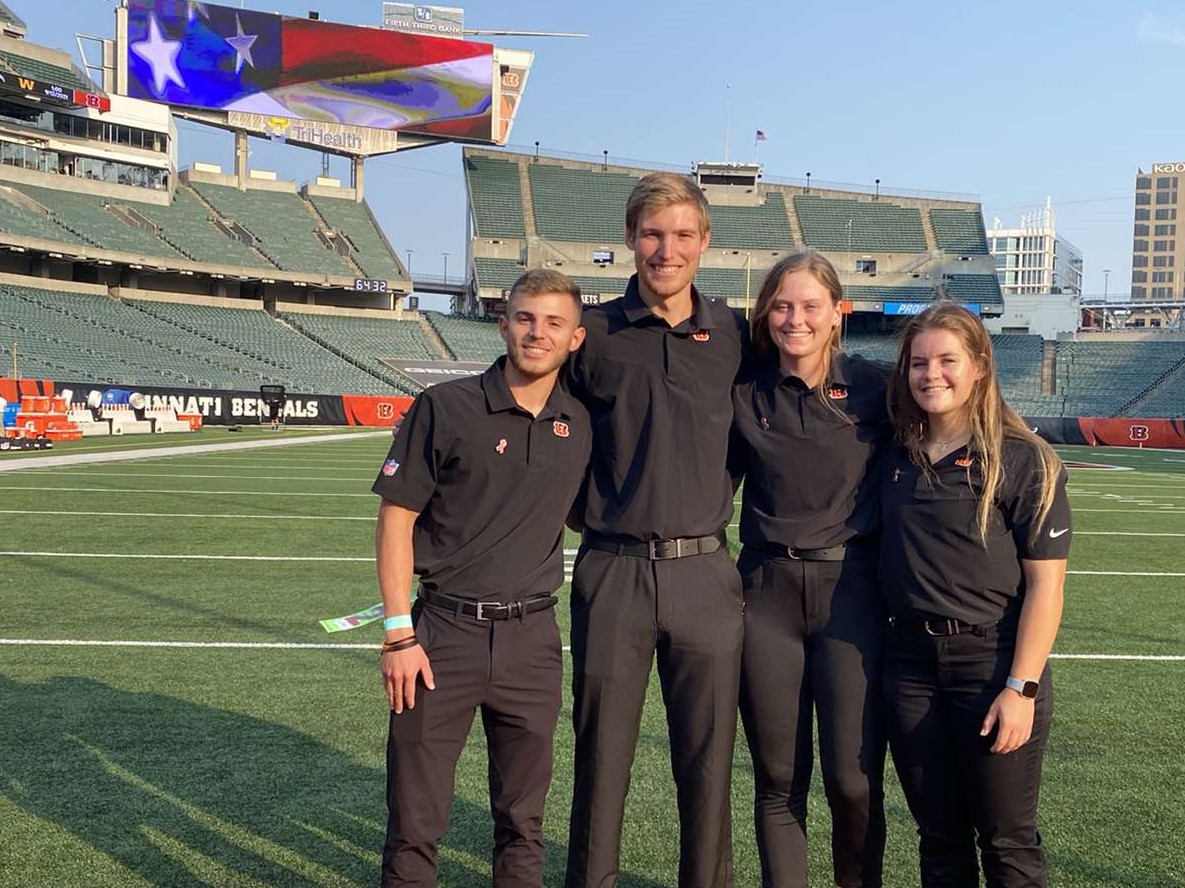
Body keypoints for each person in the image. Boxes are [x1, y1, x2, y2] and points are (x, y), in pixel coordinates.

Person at [373, 269, 590, 888]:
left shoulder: (580, 422)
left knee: (524, 822)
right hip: (442, 633)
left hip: (533, 639)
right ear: (502, 323)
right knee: (416, 821)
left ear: (575, 339)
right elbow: (396, 520)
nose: (537, 333)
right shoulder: (446, 406)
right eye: (525, 317)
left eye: (554, 323)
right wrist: (397, 635)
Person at [564, 171, 747, 888]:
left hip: (705, 571)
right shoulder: (594, 334)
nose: (664, 250)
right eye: (650, 234)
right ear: (629, 241)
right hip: (613, 569)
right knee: (602, 756)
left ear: (705, 242)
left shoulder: (734, 331)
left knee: (706, 762)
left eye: (679, 236)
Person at [879, 302, 1070, 887]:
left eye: (947, 360)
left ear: (980, 366)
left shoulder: (1023, 459)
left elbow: (1046, 587)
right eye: (918, 363)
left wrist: (1022, 688)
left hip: (990, 667)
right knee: (939, 838)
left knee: (1007, 842)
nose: (931, 374)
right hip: (908, 668)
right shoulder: (893, 452)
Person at [729, 250, 890, 888]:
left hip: (850, 592)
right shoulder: (743, 393)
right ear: (767, 314)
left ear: (835, 315)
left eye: (810, 306)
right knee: (778, 781)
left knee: (852, 781)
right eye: (783, 305)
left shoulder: (878, 386)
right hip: (765, 592)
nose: (795, 318)